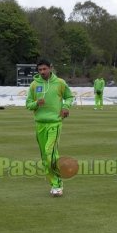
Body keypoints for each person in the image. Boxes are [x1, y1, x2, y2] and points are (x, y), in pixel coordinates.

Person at [26, 59, 74, 197]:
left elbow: (69, 97)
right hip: (40, 124)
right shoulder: (34, 85)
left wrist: (65, 107)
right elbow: (28, 104)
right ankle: (53, 182)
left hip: (55, 123)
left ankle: (58, 184)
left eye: (44, 69)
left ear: (50, 68)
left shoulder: (60, 83)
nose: (42, 72)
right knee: (44, 158)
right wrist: (36, 103)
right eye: (40, 70)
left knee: (50, 153)